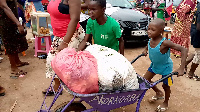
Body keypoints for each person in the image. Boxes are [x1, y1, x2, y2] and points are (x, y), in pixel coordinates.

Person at [142, 18, 188, 111]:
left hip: (165, 67)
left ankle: (166, 103)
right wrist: (145, 49)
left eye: (153, 30)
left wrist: (181, 67)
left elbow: (184, 49)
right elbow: (149, 44)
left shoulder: (165, 43)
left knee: (166, 86)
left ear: (161, 31)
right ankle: (159, 93)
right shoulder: (151, 39)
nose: (149, 32)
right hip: (155, 65)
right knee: (145, 80)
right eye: (149, 29)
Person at [43, 0, 85, 95]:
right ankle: (57, 86)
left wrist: (65, 42)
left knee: (72, 66)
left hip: (72, 37)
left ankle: (78, 89)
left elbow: (75, 18)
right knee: (52, 61)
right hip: (58, 36)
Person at [0, 0, 29, 76]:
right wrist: (18, 24)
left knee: (15, 40)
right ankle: (13, 67)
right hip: (5, 21)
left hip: (13, 19)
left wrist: (23, 12)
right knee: (9, 43)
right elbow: (4, 7)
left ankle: (17, 62)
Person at [185, 2, 200, 81]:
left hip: (195, 32)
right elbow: (199, 27)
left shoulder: (198, 5)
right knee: (198, 54)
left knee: (197, 52)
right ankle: (191, 73)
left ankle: (185, 63)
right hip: (198, 34)